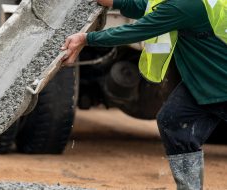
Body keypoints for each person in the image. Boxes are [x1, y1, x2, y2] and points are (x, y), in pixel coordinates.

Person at [61, 0, 227, 189]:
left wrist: (86, 39)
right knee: (172, 120)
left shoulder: (186, 5)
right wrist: (114, 1)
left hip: (220, 83)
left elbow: (136, 31)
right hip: (205, 82)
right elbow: (149, 6)